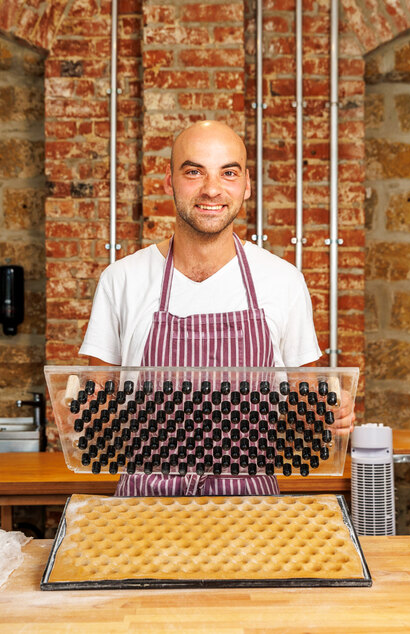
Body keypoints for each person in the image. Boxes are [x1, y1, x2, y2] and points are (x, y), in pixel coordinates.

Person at [79, 120, 354, 496]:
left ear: (246, 185)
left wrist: (332, 416)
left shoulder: (283, 280)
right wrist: (74, 416)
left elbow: (307, 410)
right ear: (169, 182)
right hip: (144, 510)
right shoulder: (122, 279)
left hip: (251, 510)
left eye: (228, 173)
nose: (212, 189)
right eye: (194, 172)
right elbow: (94, 411)